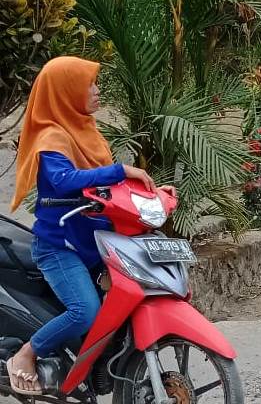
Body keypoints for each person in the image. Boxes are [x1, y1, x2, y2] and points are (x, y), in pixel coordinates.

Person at [5, 57, 155, 394]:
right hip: (60, 247)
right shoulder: (51, 137)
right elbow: (64, 180)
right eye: (89, 84)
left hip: (96, 243)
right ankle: (25, 354)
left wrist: (152, 196)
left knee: (129, 303)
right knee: (86, 312)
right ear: (66, 91)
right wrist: (120, 170)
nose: (97, 90)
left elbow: (107, 190)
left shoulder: (87, 132)